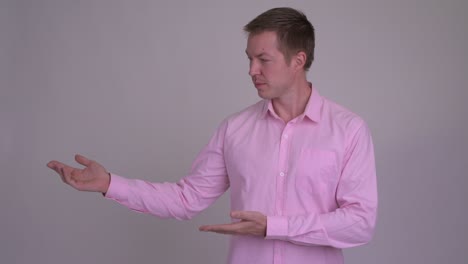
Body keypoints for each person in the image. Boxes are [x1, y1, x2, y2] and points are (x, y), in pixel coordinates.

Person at [47, 7, 377, 264]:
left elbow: (360, 223)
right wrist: (109, 184)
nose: (252, 71)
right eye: (249, 59)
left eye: (263, 59)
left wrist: (274, 227)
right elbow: (186, 199)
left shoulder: (348, 130)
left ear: (298, 61)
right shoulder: (235, 129)